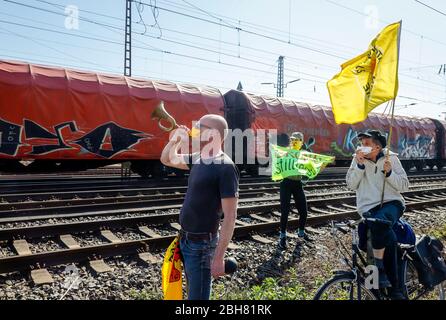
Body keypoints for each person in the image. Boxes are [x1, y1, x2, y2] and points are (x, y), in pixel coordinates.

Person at [160, 114, 239, 300]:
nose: (195, 129)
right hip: (185, 239)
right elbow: (166, 159)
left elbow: (230, 216)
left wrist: (219, 257)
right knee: (192, 295)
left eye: (200, 127)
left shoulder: (225, 167)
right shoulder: (198, 158)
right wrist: (176, 140)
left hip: (202, 246)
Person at [346, 130, 409, 299]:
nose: (362, 147)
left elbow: (404, 186)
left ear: (377, 146)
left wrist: (389, 173)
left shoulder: (391, 158)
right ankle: (383, 290)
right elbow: (351, 184)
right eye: (361, 144)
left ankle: (380, 274)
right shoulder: (357, 159)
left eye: (366, 144)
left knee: (379, 223)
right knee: (379, 236)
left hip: (392, 204)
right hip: (369, 208)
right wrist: (359, 166)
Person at [278, 131, 312, 251]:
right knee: (285, 211)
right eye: (293, 139)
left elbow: (310, 169)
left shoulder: (304, 153)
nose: (294, 141)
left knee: (303, 210)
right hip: (286, 183)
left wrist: (305, 179)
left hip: (297, 184)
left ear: (301, 142)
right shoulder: (286, 152)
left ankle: (301, 233)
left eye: (297, 140)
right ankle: (282, 237)